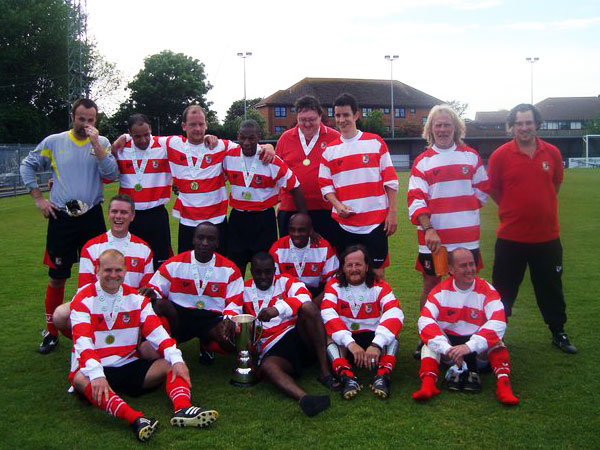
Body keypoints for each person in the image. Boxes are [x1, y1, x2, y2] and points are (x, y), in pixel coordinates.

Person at [69, 249, 218, 442]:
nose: (113, 275)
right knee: (80, 377)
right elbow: (83, 342)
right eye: (107, 270)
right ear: (97, 269)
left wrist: (177, 359)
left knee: (169, 364)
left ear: (125, 271)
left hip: (128, 364)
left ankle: (183, 408)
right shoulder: (82, 299)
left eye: (118, 270)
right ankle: (136, 419)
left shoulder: (137, 299)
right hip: (96, 368)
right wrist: (97, 374)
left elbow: (158, 334)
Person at [19, 98, 118, 354]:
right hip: (61, 217)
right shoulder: (54, 141)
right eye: (81, 119)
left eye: (91, 120)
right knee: (57, 277)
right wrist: (39, 198)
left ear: (96, 121)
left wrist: (96, 143)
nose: (85, 124)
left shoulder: (102, 142)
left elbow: (111, 174)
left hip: (92, 216)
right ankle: (51, 332)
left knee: (100, 274)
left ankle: (96, 327)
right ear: (72, 116)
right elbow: (27, 165)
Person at [487, 104, 577, 354]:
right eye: (519, 123)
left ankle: (558, 332)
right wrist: (512, 209)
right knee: (503, 290)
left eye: (528, 123)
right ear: (512, 126)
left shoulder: (553, 153)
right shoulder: (500, 156)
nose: (524, 128)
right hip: (510, 238)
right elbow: (494, 190)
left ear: (536, 124)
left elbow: (555, 184)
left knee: (550, 288)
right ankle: (496, 335)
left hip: (546, 238)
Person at [407, 104, 489, 358]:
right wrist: (429, 227)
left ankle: (467, 333)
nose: (442, 129)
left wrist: (461, 210)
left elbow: (482, 192)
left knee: (467, 284)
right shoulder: (423, 161)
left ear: (456, 128)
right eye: (437, 125)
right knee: (431, 286)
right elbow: (416, 198)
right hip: (435, 240)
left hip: (466, 239)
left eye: (447, 124)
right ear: (430, 129)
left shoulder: (471, 157)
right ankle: (427, 336)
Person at [223, 252, 336, 417]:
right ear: (251, 271)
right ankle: (305, 399)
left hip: (297, 335)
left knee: (309, 308)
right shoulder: (244, 289)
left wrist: (277, 309)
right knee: (268, 367)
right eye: (258, 272)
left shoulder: (285, 281)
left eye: (268, 272)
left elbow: (304, 296)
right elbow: (230, 308)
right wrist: (230, 320)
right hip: (271, 346)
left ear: (274, 270)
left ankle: (324, 371)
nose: (263, 276)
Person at [412, 248, 519, 405]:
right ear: (451, 269)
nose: (470, 270)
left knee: (497, 338)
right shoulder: (439, 291)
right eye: (463, 266)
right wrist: (447, 349)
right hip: (451, 352)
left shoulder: (487, 290)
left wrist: (468, 347)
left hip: (478, 351)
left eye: (472, 264)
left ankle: (504, 387)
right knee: (429, 342)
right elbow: (425, 321)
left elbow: (499, 321)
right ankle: (428, 385)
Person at [165, 105, 276, 255]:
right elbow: (144, 140)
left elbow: (247, 145)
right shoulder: (172, 144)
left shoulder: (221, 146)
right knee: (187, 267)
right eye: (192, 124)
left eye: (201, 124)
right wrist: (124, 137)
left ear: (206, 124)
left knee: (220, 268)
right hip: (188, 221)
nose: (197, 129)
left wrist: (268, 146)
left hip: (216, 221)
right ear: (184, 126)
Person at [319, 93, 398, 280]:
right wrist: (338, 206)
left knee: (377, 273)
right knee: (348, 274)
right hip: (345, 224)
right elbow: (325, 186)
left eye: (346, 115)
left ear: (356, 115)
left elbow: (390, 180)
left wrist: (392, 212)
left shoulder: (375, 142)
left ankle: (379, 309)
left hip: (375, 222)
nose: (341, 120)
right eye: (337, 115)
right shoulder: (329, 151)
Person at [52, 194, 154, 336]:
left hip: (131, 306)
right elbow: (84, 288)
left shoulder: (144, 248)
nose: (118, 216)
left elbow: (146, 289)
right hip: (99, 304)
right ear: (108, 214)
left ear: (132, 216)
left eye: (124, 212)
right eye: (114, 211)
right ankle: (90, 339)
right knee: (60, 315)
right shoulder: (91, 247)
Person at [142, 222, 243, 363]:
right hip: (181, 316)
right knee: (158, 305)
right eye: (200, 238)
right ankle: (169, 343)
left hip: (211, 317)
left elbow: (235, 302)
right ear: (193, 240)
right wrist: (152, 294)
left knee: (231, 343)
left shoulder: (230, 269)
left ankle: (207, 342)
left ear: (217, 243)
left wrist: (229, 319)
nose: (205, 243)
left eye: (210, 239)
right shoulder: (174, 264)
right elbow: (156, 289)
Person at [223, 119, 307, 275]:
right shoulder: (228, 157)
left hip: (263, 220)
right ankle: (236, 299)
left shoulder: (271, 160)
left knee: (263, 268)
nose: (246, 142)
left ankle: (263, 299)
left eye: (251, 138)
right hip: (237, 219)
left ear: (259, 137)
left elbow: (294, 186)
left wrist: (304, 217)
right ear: (238, 136)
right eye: (243, 137)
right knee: (235, 268)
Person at [320, 245, 404, 400]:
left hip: (373, 343)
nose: (354, 269)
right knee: (331, 337)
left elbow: (395, 313)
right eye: (349, 265)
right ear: (343, 268)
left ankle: (382, 376)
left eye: (358, 264)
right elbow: (327, 313)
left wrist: (377, 344)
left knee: (391, 337)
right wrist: (350, 343)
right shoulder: (334, 286)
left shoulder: (380, 286)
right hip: (348, 345)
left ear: (366, 267)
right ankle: (347, 378)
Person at [275, 95, 342, 247]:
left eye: (311, 119)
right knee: (291, 254)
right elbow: (277, 172)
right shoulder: (285, 138)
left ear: (320, 116)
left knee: (327, 252)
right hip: (291, 208)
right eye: (302, 119)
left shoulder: (334, 137)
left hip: (325, 208)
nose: (306, 124)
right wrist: (279, 200)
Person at [112, 113, 173, 270]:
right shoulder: (120, 149)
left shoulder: (164, 146)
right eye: (137, 136)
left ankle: (159, 294)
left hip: (157, 215)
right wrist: (123, 138)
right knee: (132, 263)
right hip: (131, 217)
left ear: (151, 129)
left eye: (146, 134)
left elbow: (190, 141)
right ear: (130, 133)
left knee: (161, 263)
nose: (143, 140)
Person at [269, 213, 338, 305]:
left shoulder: (323, 246)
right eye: (292, 230)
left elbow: (333, 282)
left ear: (310, 230)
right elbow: (274, 283)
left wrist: (314, 304)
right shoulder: (278, 247)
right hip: (287, 295)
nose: (296, 234)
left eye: (301, 230)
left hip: (316, 295)